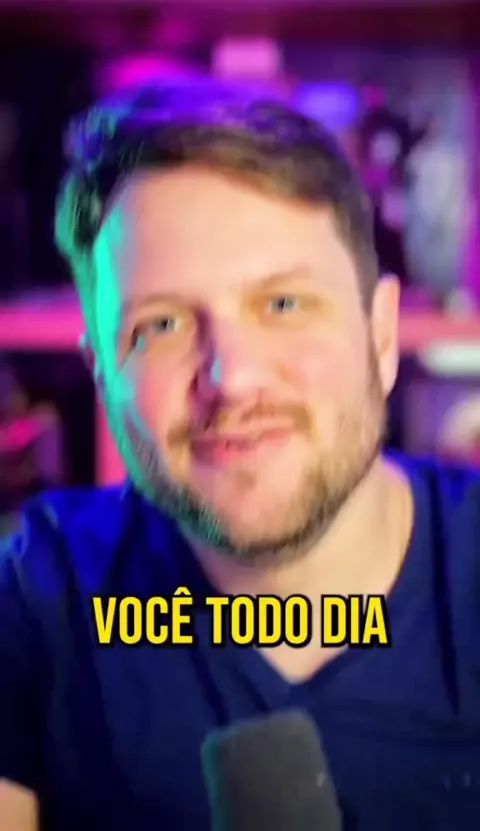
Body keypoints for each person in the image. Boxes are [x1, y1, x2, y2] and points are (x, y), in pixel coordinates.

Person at [1, 83, 480, 831]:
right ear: (101, 373)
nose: (233, 378)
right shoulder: (42, 596)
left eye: (283, 304)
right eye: (161, 325)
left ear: (381, 336)